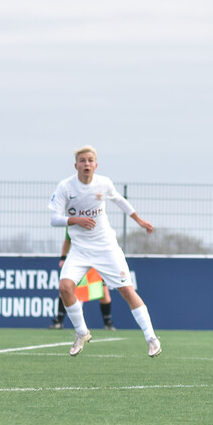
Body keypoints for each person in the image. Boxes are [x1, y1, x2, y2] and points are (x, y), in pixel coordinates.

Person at [48, 145, 162, 357]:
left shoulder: (104, 183)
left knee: (127, 291)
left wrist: (139, 220)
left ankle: (151, 338)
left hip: (106, 247)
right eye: (82, 160)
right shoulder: (65, 187)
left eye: (90, 160)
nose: (86, 164)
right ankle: (82, 332)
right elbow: (54, 219)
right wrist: (74, 220)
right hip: (80, 249)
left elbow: (119, 200)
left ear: (95, 164)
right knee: (65, 287)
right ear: (76, 165)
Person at [48, 231, 115, 331]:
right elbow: (67, 240)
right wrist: (63, 258)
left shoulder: (96, 221)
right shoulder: (71, 222)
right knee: (66, 288)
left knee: (103, 291)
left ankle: (108, 323)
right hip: (78, 261)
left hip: (97, 261)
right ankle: (59, 321)